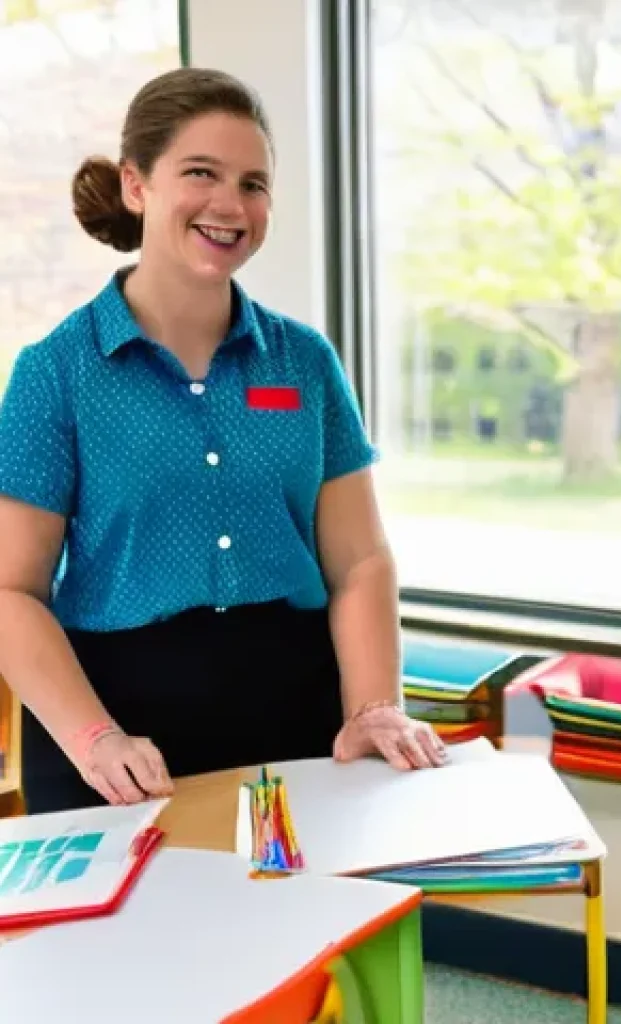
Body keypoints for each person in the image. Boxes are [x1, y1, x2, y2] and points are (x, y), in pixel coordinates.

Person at [0, 66, 446, 816]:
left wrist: (373, 705)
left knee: (301, 933)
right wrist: (96, 739)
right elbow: (11, 591)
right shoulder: (56, 373)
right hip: (116, 738)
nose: (231, 205)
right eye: (201, 173)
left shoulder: (305, 363)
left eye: (254, 183)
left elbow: (360, 559)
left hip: (295, 718)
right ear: (136, 185)